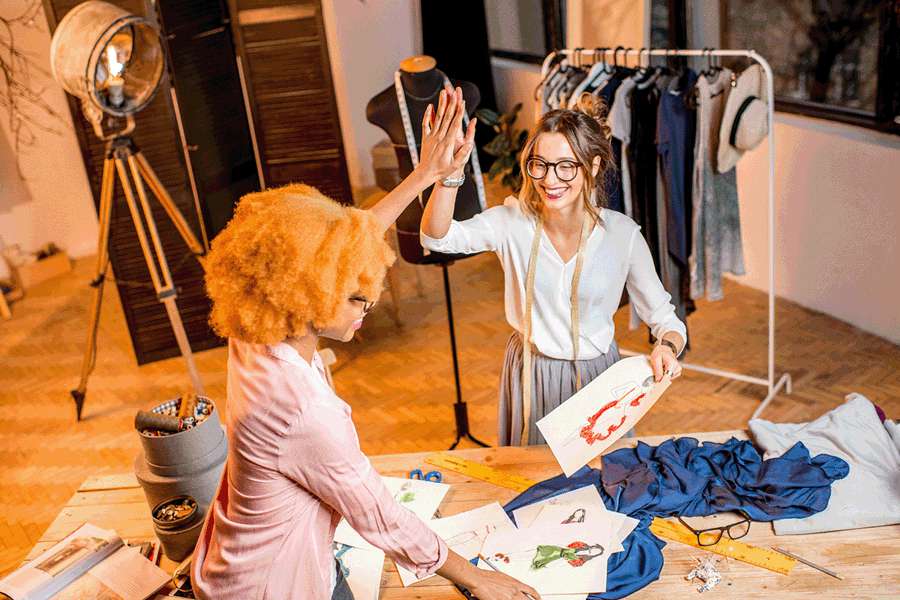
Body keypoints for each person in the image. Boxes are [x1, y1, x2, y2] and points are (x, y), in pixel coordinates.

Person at [192, 88, 540, 600]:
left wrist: (423, 175)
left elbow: (341, 246)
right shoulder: (301, 409)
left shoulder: (256, 321)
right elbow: (378, 516)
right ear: (307, 295)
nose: (368, 306)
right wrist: (478, 579)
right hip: (272, 585)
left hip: (235, 554)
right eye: (356, 298)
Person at [420, 98, 686, 446]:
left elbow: (667, 321)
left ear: (592, 166)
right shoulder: (511, 223)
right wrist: (448, 177)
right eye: (540, 165)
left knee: (602, 479)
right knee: (533, 482)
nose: (550, 178)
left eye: (565, 166)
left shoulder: (623, 235)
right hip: (531, 373)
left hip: (599, 376)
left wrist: (666, 347)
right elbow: (436, 237)